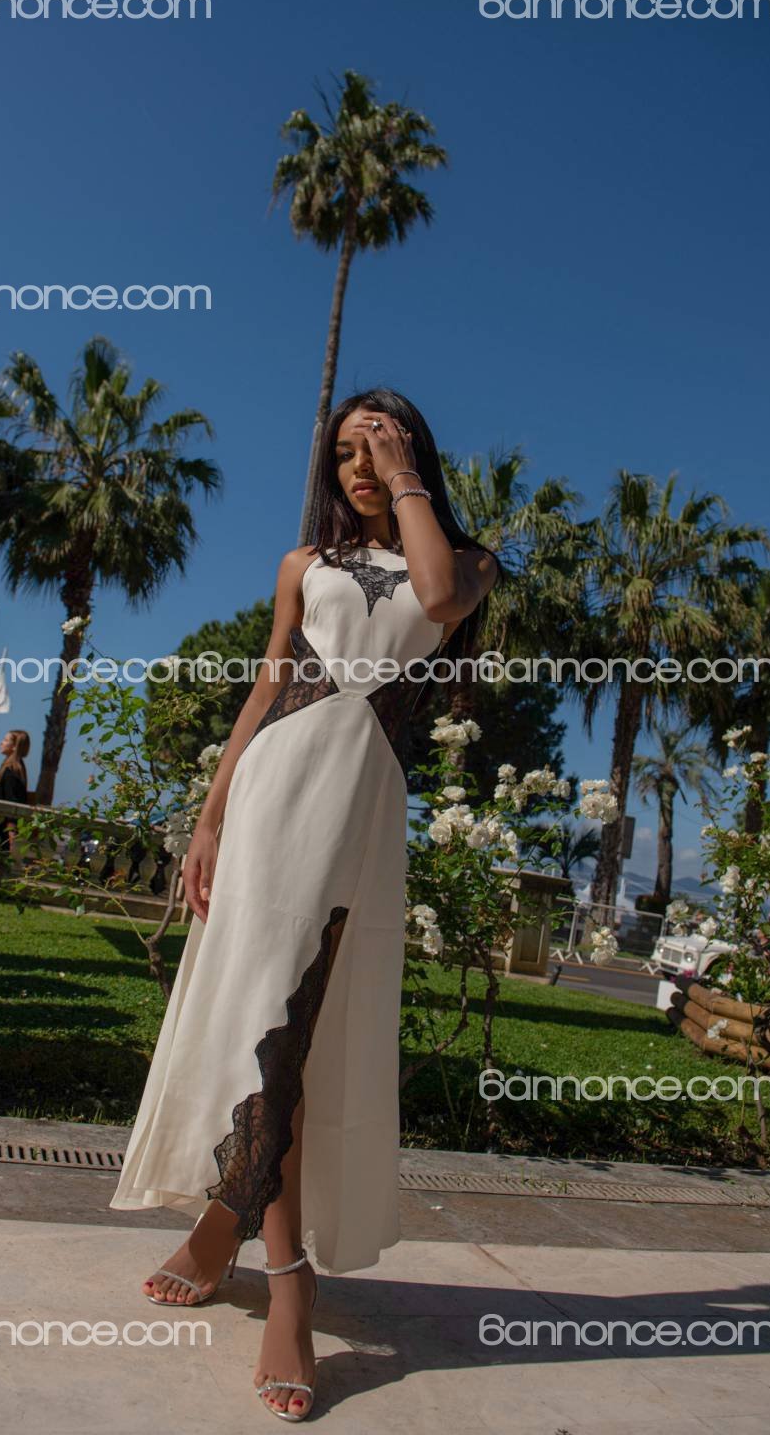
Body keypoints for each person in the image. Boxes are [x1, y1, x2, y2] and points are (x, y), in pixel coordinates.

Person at [108, 389, 499, 1421]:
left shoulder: (469, 564)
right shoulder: (302, 566)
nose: (358, 467)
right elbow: (266, 688)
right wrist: (208, 819)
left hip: (356, 812)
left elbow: (436, 598)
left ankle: (228, 1231)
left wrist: (405, 477)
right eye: (345, 452)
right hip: (271, 796)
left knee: (299, 1034)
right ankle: (286, 1282)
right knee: (260, 1028)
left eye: (378, 445)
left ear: (412, 450)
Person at [0, 729, 31, 851]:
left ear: (15, 747)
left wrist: (12, 834)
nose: (1, 743)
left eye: (6, 740)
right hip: (0, 830)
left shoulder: (11, 771)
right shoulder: (16, 768)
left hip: (0, 832)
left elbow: (12, 802)